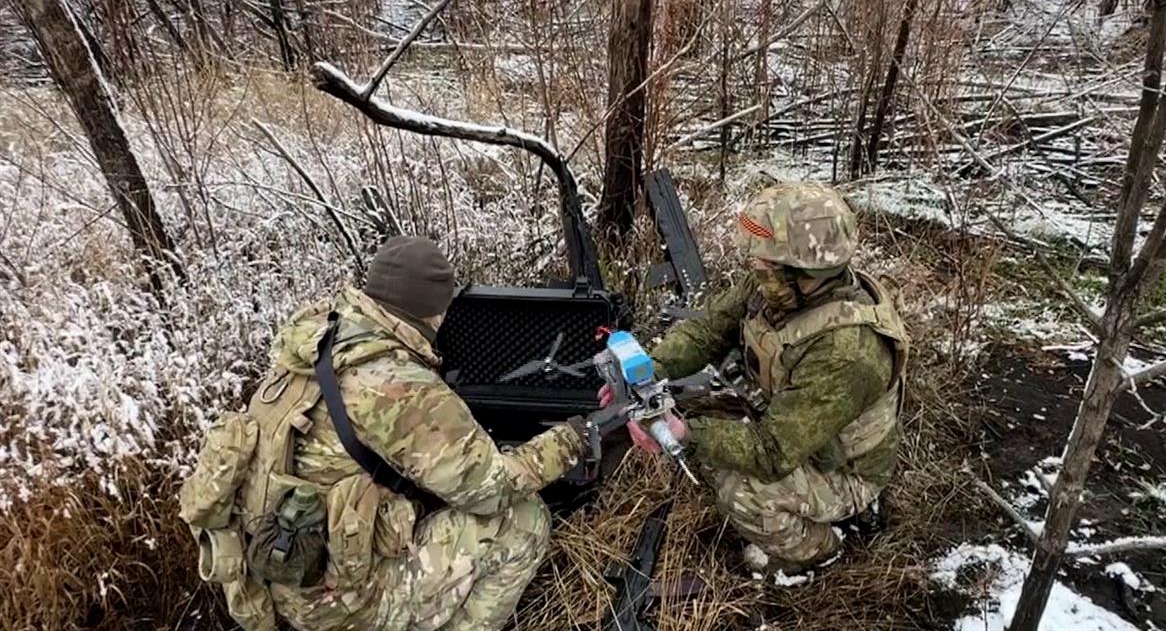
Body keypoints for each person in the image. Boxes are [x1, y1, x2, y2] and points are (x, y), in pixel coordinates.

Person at [179, 236, 621, 631]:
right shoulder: (393, 382)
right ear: (435, 309)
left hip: (271, 583)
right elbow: (491, 491)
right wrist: (573, 438)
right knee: (522, 521)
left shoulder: (316, 344)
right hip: (338, 607)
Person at [606, 183, 909, 579]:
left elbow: (772, 451)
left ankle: (822, 548)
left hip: (843, 470)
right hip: (793, 423)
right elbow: (710, 330)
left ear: (803, 272)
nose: (753, 272)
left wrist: (687, 435)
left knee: (742, 492)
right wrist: (648, 371)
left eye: (763, 267)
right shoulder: (779, 286)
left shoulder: (848, 352)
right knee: (692, 417)